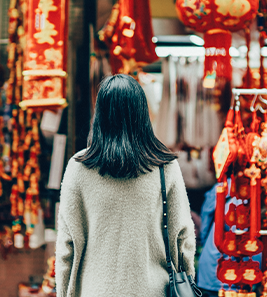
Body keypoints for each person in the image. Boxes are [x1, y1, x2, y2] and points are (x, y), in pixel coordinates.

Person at [56, 74, 196, 297]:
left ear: (100, 114)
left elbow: (67, 244)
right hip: (153, 291)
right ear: (142, 113)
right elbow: (182, 236)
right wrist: (187, 279)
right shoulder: (164, 166)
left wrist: (64, 293)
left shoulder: (79, 167)